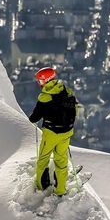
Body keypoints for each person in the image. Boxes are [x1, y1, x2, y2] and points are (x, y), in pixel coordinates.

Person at [28, 67, 77, 196]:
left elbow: (34, 118)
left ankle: (41, 187)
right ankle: (60, 190)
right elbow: (74, 109)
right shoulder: (67, 91)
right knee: (61, 160)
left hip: (51, 133)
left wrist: (32, 117)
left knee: (43, 159)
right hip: (67, 132)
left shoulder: (45, 97)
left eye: (39, 81)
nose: (39, 83)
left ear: (45, 80)